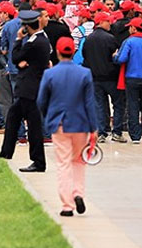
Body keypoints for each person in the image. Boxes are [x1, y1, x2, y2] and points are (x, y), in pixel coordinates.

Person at [38, 37, 98, 216]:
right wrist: (94, 127)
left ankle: (67, 205)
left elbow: (41, 101)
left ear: (57, 52)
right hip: (80, 123)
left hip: (59, 124)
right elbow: (90, 103)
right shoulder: (85, 73)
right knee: (79, 161)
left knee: (63, 163)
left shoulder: (50, 74)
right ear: (73, 52)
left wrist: (49, 115)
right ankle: (78, 193)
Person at [0, 9, 49, 172]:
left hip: (30, 89)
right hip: (29, 88)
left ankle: (38, 162)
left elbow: (16, 57)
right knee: (13, 117)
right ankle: (6, 151)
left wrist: (18, 41)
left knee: (33, 126)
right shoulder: (38, 40)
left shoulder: (35, 42)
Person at [114, 19, 142, 143]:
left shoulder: (129, 42)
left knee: (133, 106)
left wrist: (115, 56)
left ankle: (135, 135)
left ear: (133, 28)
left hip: (131, 79)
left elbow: (121, 59)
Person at [81, 13, 122, 142]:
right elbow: (116, 56)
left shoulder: (89, 39)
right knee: (118, 104)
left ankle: (101, 132)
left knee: (99, 105)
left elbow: (85, 56)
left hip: (95, 77)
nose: (110, 24)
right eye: (108, 21)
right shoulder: (111, 39)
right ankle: (117, 131)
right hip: (111, 77)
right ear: (102, 22)